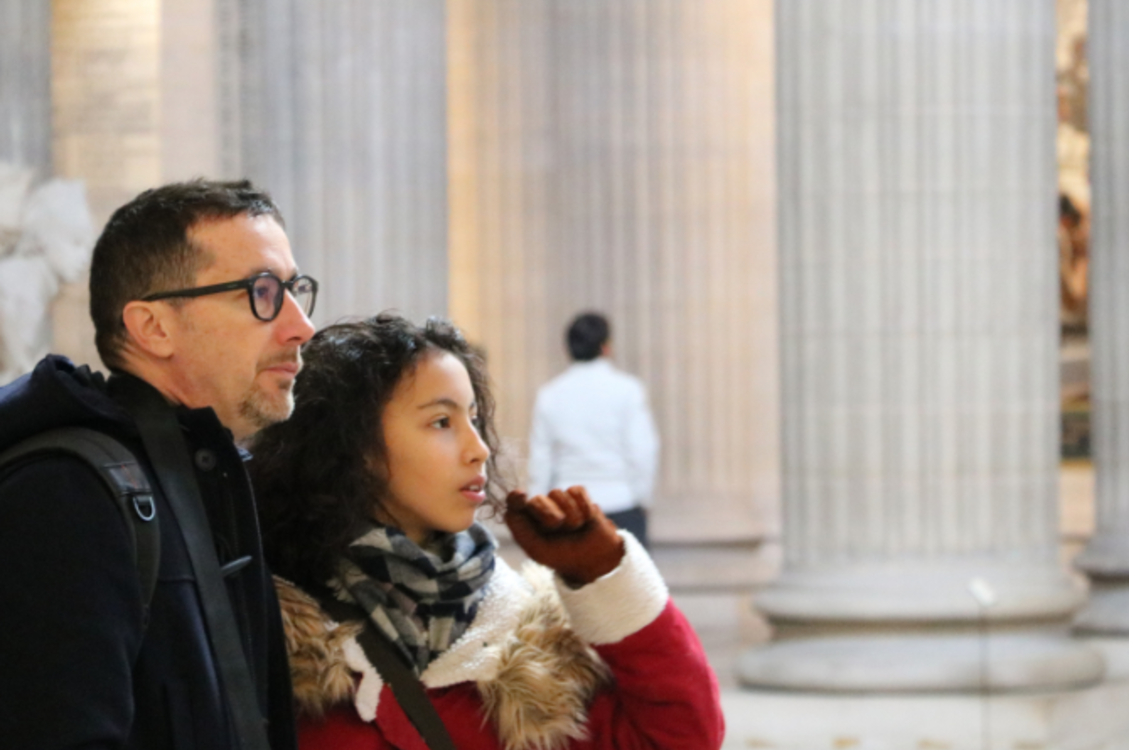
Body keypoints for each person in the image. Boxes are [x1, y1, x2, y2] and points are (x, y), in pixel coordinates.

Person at [249, 313, 723, 750]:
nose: (479, 450)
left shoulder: (526, 649)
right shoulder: (274, 635)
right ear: (354, 446)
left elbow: (683, 737)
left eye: (474, 419)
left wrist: (606, 575)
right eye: (441, 422)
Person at [0, 178, 315, 749]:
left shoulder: (206, 475)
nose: (301, 326)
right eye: (263, 293)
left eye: (295, 290)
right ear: (153, 327)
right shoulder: (63, 495)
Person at [527, 312, 659, 548]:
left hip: (569, 507)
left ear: (567, 349)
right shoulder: (628, 390)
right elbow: (643, 452)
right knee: (628, 585)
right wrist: (642, 498)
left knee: (570, 585)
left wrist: (539, 507)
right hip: (622, 503)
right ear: (606, 347)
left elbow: (541, 460)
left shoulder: (549, 395)